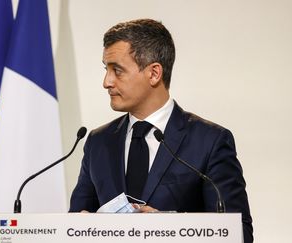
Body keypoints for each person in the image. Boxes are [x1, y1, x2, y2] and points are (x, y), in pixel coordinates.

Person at [69, 19, 253, 243]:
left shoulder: (209, 141)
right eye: (106, 69)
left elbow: (239, 233)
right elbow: (74, 222)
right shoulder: (98, 141)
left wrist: (168, 227)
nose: (106, 82)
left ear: (154, 73)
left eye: (117, 70)